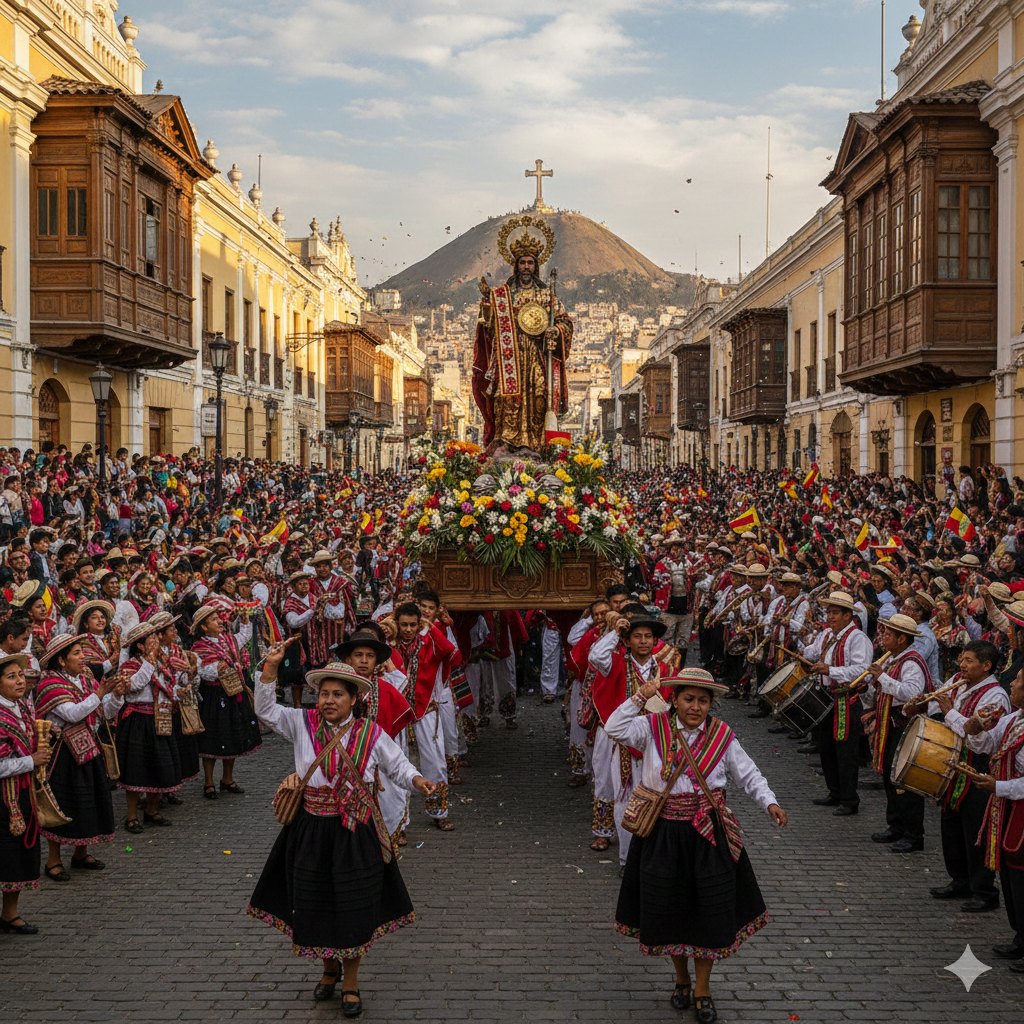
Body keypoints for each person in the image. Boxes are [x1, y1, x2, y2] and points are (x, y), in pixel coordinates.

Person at [248, 651, 435, 1015]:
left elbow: (398, 766)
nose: (328, 701)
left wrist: (417, 780)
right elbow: (266, 712)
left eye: (336, 695)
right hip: (311, 830)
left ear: (354, 699)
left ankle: (350, 982)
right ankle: (328, 969)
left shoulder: (371, 733)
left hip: (355, 831)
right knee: (315, 903)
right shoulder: (301, 723)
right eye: (323, 694)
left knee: (353, 906)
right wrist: (268, 672)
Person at [606, 666, 787, 1022]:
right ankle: (681, 979)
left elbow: (747, 773)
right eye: (688, 699)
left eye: (703, 701)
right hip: (663, 834)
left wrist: (770, 801)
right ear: (673, 700)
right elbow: (614, 727)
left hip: (708, 835)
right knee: (670, 910)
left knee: (710, 912)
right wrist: (641, 696)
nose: (696, 707)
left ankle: (703, 989)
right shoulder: (651, 728)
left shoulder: (721, 736)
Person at [472, 218, 573, 452]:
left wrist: (555, 331)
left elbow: (565, 322)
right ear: (516, 266)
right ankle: (508, 440)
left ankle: (536, 443)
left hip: (536, 355)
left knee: (539, 395)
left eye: (530, 263)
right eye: (522, 263)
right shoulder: (503, 295)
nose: (526, 267)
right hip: (510, 355)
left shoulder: (547, 296)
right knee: (507, 396)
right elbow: (488, 328)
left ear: (535, 266)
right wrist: (487, 307)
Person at [929, 640, 1012, 911]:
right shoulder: (958, 682)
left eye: (968, 660)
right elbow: (940, 710)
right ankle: (960, 880)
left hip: (979, 766)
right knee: (951, 824)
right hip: (956, 764)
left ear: (986, 666)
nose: (961, 665)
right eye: (962, 659)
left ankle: (984, 891)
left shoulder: (995, 697)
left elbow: (983, 742)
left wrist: (949, 712)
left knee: (975, 830)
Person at [35, 634, 126, 877]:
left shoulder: (85, 680)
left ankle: (80, 853)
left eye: (81, 651)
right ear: (61, 661)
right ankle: (53, 859)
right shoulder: (50, 685)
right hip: (64, 754)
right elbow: (73, 714)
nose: (82, 657)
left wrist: (116, 695)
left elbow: (104, 712)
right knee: (62, 805)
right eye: (76, 653)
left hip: (89, 747)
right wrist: (100, 694)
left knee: (88, 802)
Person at [962, 668, 1024, 972]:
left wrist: (998, 786)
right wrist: (975, 726)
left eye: (1019, 680)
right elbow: (986, 743)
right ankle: (1020, 936)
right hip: (1010, 807)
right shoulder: (1014, 718)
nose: (1011, 682)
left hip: (1019, 806)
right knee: (1012, 874)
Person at [862, 614, 931, 854]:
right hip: (890, 724)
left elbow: (912, 693)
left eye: (888, 634)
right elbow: (884, 692)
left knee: (905, 778)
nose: (883, 637)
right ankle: (896, 825)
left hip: (905, 726)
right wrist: (869, 687)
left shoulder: (911, 661)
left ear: (902, 638)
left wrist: (881, 676)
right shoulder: (892, 659)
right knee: (890, 777)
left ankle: (913, 834)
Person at [800, 591, 873, 816]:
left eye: (835, 612)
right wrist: (804, 655)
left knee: (846, 751)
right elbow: (813, 653)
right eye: (829, 612)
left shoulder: (857, 638)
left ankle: (849, 799)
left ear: (848, 615)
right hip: (828, 698)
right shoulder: (829, 636)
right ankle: (835, 792)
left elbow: (863, 671)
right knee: (827, 748)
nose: (830, 616)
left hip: (847, 700)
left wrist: (830, 670)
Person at [116, 619, 185, 832]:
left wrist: (179, 692)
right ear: (139, 645)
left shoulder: (161, 664)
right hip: (137, 720)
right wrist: (149, 661)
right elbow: (134, 686)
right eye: (151, 639)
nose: (156, 641)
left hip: (160, 717)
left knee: (159, 767)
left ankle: (151, 811)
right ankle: (131, 816)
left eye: (156, 637)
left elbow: (168, 688)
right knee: (136, 770)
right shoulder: (130, 666)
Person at [190, 604, 261, 799]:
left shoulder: (227, 640)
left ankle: (227, 779)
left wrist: (245, 623)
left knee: (232, 735)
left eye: (218, 618)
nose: (219, 621)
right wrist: (217, 669)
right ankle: (209, 781)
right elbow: (201, 672)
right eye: (213, 620)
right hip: (214, 696)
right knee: (212, 739)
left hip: (232, 693)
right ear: (203, 627)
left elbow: (243, 637)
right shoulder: (199, 648)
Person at [0, 653, 49, 933]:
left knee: (16, 856)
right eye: (11, 677)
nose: (20, 681)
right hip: (3, 798)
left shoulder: (22, 708)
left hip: (21, 794)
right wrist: (31, 761)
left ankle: (9, 913)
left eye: (20, 675)